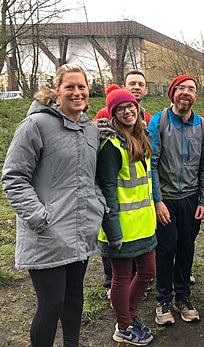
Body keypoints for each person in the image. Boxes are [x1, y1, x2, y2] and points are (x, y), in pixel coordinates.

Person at [2, 63, 106, 347]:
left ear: (88, 90)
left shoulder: (90, 130)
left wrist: (96, 205)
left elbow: (91, 176)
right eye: (69, 86)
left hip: (80, 229)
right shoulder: (36, 125)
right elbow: (13, 178)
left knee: (74, 296)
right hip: (46, 233)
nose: (76, 92)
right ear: (56, 91)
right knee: (51, 304)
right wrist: (39, 217)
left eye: (81, 86)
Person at [96, 89, 157, 345]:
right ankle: (124, 326)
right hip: (120, 228)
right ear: (113, 115)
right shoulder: (111, 147)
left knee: (147, 272)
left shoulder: (141, 139)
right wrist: (113, 230)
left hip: (144, 225)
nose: (128, 111)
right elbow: (107, 188)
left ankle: (128, 317)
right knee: (121, 278)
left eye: (130, 106)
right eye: (120, 109)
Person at [148, 75, 204, 325]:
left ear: (196, 95)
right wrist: (157, 200)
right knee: (167, 248)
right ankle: (163, 299)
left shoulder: (203, 125)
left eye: (191, 89)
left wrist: (203, 200)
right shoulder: (159, 121)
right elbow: (151, 164)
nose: (186, 93)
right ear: (172, 92)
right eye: (181, 88)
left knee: (187, 247)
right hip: (167, 199)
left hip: (191, 198)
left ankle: (182, 296)